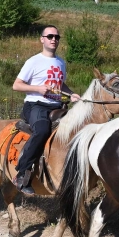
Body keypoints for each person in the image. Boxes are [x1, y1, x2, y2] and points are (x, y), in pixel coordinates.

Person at [12, 25, 80, 195]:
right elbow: (17, 85)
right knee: (42, 131)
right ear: (42, 39)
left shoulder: (61, 62)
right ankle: (21, 174)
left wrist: (72, 94)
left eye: (57, 37)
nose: (54, 39)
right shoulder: (33, 61)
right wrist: (37, 89)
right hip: (36, 105)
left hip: (57, 106)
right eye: (50, 36)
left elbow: (60, 84)